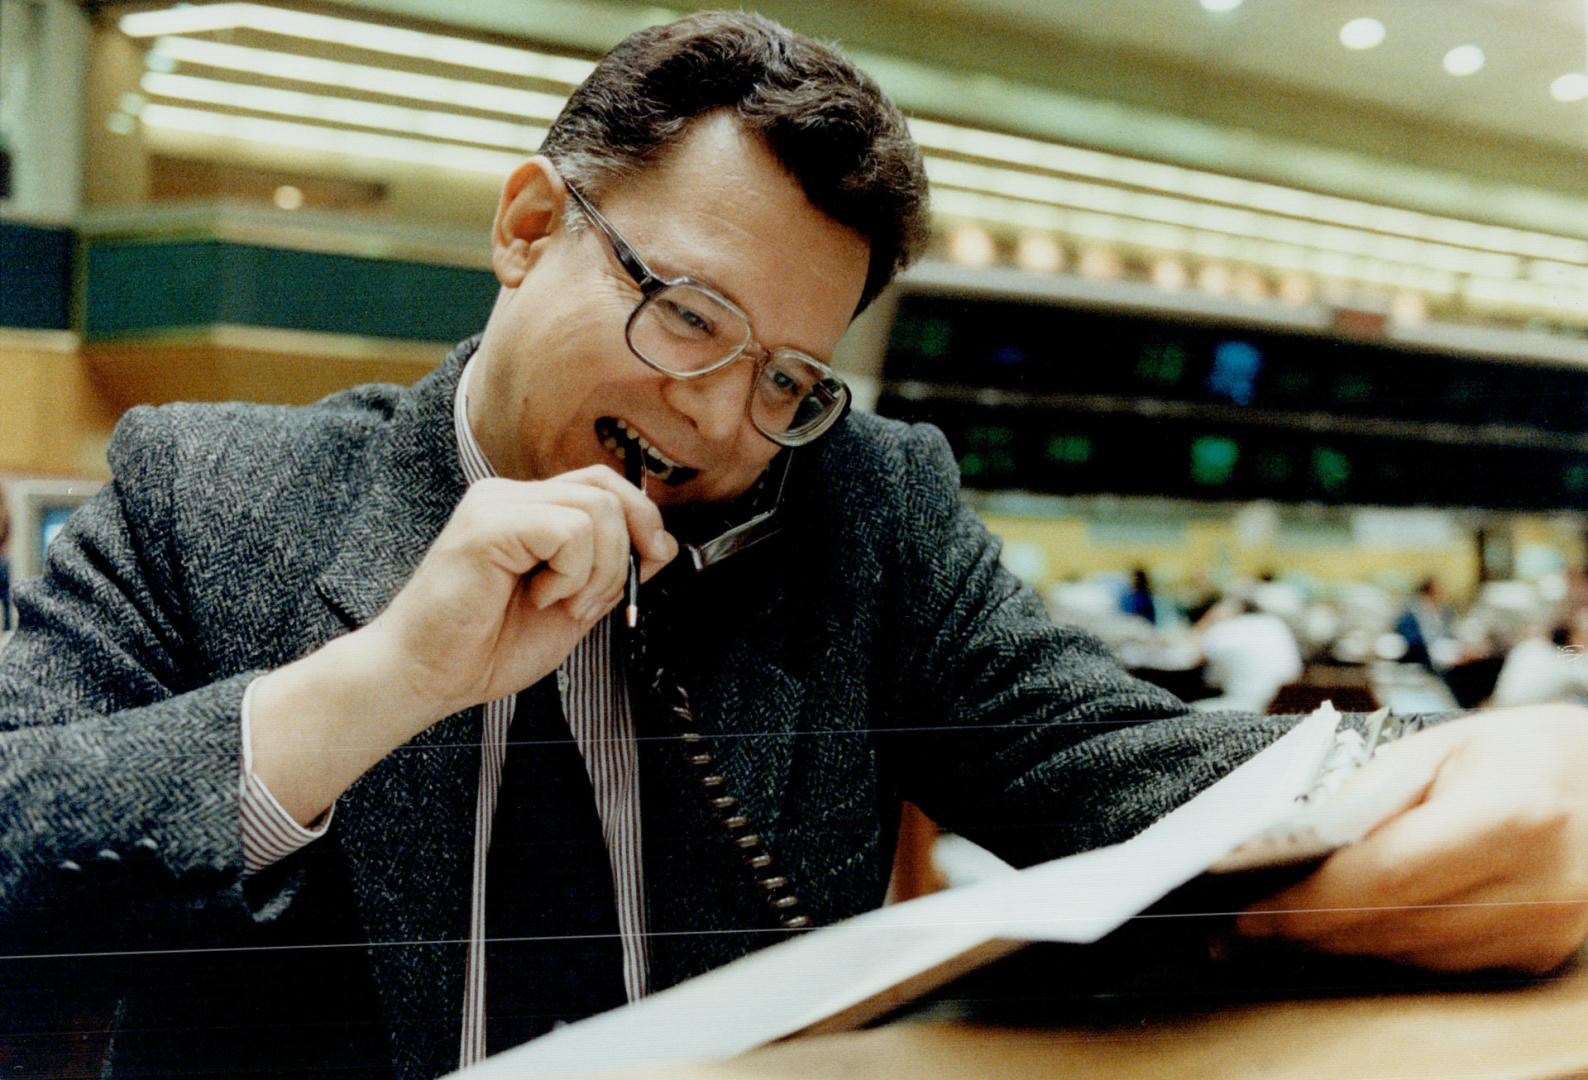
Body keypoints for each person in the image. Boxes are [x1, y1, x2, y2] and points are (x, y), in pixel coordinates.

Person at [3, 12, 1588, 1080]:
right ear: (529, 226)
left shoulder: (857, 507)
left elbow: (1135, 769)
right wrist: (385, 677)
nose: (713, 424)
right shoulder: (202, 491)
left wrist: (1452, 765)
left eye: (785, 378)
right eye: (685, 313)